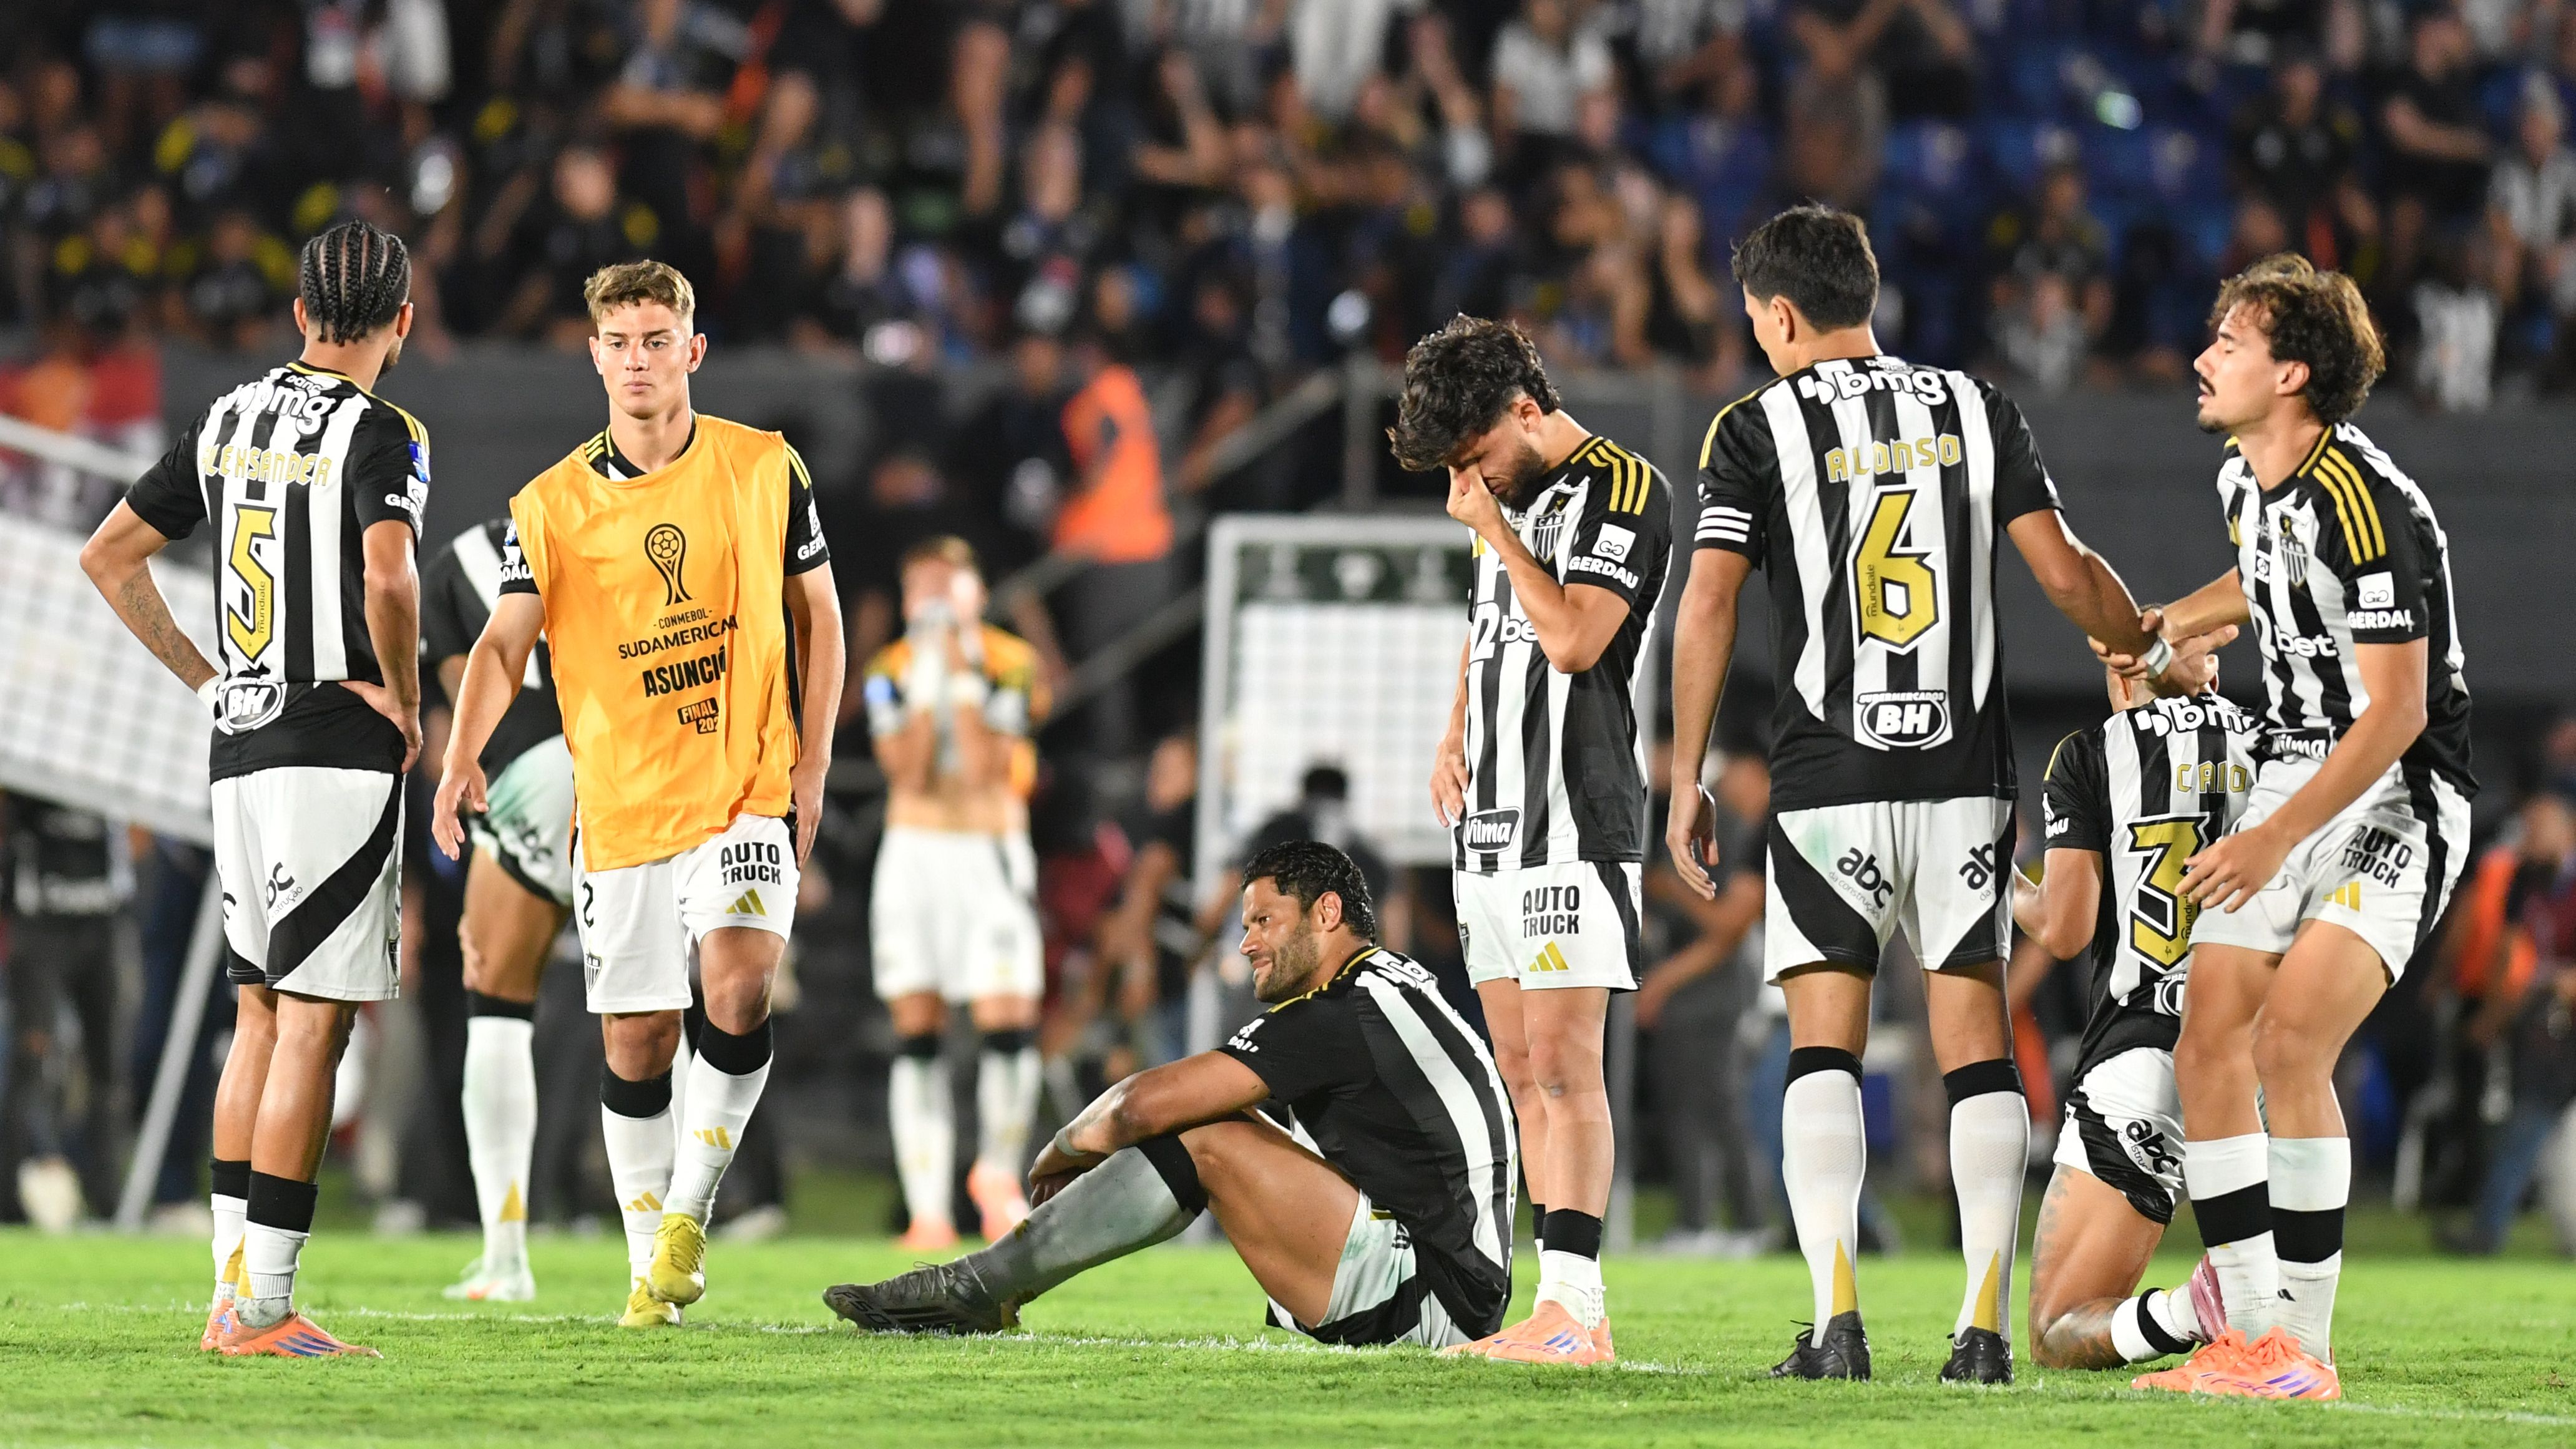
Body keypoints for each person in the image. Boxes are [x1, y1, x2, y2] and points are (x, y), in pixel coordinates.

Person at [1665, 203, 2167, 1385]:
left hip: (1824, 776)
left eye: (1755, 320)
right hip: (1961, 776)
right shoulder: (1977, 408)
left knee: (1821, 1049)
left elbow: (1707, 603)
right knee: (1976, 1052)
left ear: (1779, 314)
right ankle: (1981, 1329)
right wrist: (2134, 636)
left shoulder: (1751, 425)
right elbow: (2061, 572)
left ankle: (1837, 1321)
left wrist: (1685, 772)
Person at [431, 259, 845, 1329]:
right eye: (619, 342)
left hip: (742, 784)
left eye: (658, 339)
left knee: (740, 986)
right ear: (593, 356)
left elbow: (823, 622)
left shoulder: (764, 468)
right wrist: (460, 753)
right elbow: (499, 640)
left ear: (692, 351)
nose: (638, 361)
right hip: (618, 806)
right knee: (637, 1043)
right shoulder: (552, 504)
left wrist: (808, 767)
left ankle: (686, 1221)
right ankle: (644, 1277)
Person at [2114, 254, 2475, 1400]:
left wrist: (2270, 839)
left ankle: (2298, 1351)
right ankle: (2249, 1331)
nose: (2200, 357)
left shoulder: (2363, 505)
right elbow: (2259, 578)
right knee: (2206, 1037)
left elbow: (2399, 708)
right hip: (2292, 766)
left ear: (2292, 374)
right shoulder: (2246, 478)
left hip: (2399, 789)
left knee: (2289, 1043)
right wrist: (2164, 620)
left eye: (2227, 341)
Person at [79, 218, 427, 1358]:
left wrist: (206, 678)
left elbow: (110, 553)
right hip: (333, 742)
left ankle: (230, 1290)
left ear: (298, 317)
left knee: (257, 1013)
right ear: (401, 323)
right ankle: (263, 1308)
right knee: (316, 1024)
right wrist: (406, 694)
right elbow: (387, 569)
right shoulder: (382, 430)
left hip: (238, 746)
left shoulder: (228, 416)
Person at [822, 841, 1516, 1350]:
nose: (1245, 944)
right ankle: (986, 1286)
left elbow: (1137, 1108)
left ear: (1327, 913)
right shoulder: (1382, 986)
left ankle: (975, 1287)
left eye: (1263, 922)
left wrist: (1057, 1152)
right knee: (1214, 1119)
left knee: (1203, 1132)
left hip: (1431, 1299)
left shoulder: (1343, 1009)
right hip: (1454, 1283)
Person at [1393, 313, 1674, 1366]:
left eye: (1475, 458)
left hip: (1574, 815)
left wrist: (1496, 531)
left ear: (1525, 409)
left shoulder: (1622, 487)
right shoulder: (1496, 499)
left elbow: (1571, 638)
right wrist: (1452, 731)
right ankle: (1552, 1309)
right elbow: (1490, 627)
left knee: (1564, 1064)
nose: (1468, 483)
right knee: (1519, 1066)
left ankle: (1578, 1312)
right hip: (1494, 818)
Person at [2015, 656, 2255, 1371]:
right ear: (2206, 673)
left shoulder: (2093, 752)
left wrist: (2001, 881)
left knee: (2058, 1330)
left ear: (2124, 679)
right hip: (2256, 1054)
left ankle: (2191, 1310)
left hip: (2143, 1049)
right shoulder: (2267, 739)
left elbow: (2065, 928)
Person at [861, 535, 1050, 1251]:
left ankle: (997, 1176)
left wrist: (960, 671)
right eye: (921, 587)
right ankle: (928, 1210)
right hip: (914, 859)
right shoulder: (888, 672)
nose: (934, 599)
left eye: (948, 584)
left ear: (977, 592)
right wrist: (931, 676)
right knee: (918, 1029)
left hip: (989, 856)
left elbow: (980, 768)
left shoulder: (1014, 663)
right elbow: (906, 772)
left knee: (1007, 1020)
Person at [419, 516, 575, 1302]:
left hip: (531, 772)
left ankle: (506, 1256)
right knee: (654, 1009)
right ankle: (666, 1245)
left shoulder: (452, 565)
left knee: (497, 1004)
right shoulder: (595, 519)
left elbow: (464, 703)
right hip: (635, 767)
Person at [1, 796, 132, 1227]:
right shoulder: (33, 771)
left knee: (108, 1067)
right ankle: (13, 1197)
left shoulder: (112, 770)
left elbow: (141, 839)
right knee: (31, 1061)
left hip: (102, 928)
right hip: (42, 928)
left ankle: (107, 1198)